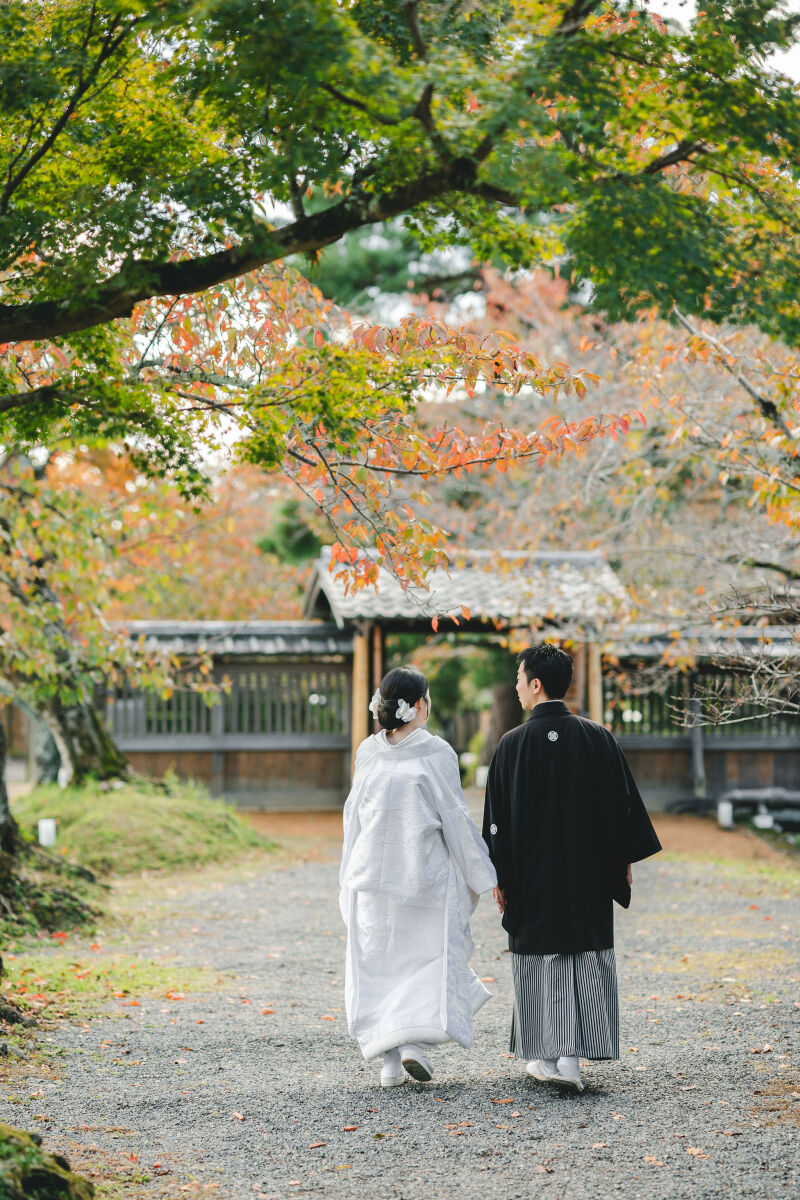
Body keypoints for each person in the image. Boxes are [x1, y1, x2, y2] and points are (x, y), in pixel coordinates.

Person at [482, 643, 661, 1093]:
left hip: (532, 876)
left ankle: (546, 1056)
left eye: (520, 679)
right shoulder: (598, 737)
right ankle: (570, 1060)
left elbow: (497, 823)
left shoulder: (510, 745)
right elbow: (624, 812)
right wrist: (622, 863)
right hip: (587, 874)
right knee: (581, 955)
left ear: (536, 685)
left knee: (540, 958)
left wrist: (499, 876)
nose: (516, 687)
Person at [339, 665, 497, 1087]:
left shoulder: (368, 751)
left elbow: (352, 819)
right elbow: (456, 820)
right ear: (420, 704)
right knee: (422, 962)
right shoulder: (435, 752)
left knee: (383, 963)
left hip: (373, 874)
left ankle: (393, 1060)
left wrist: (347, 875)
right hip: (421, 874)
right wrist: (485, 877)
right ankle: (412, 1047)